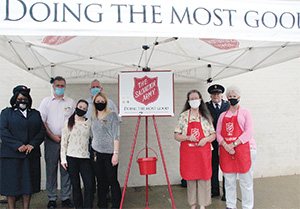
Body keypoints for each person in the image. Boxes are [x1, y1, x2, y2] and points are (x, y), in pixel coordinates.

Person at [0, 85, 46, 209]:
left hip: (29, 155)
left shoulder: (35, 114)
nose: (22, 101)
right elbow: (3, 131)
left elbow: (42, 131)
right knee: (12, 186)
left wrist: (32, 144)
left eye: (25, 99)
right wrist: (18, 145)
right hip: (11, 156)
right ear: (15, 99)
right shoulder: (6, 113)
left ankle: (26, 207)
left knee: (28, 185)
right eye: (20, 99)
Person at [216, 86, 257, 209]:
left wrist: (234, 144)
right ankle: (231, 205)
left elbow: (249, 131)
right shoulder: (223, 115)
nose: (232, 99)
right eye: (230, 97)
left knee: (246, 181)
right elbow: (218, 133)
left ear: (239, 98)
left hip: (245, 150)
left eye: (234, 96)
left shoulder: (245, 112)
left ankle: (247, 206)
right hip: (227, 151)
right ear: (227, 99)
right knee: (229, 181)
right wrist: (225, 145)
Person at [174, 89, 216, 209]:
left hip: (203, 153)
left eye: (196, 98)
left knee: (203, 178)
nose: (194, 101)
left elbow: (213, 135)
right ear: (188, 101)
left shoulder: (205, 116)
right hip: (189, 153)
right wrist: (187, 137)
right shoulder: (183, 116)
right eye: (191, 99)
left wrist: (205, 140)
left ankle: (202, 205)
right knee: (191, 178)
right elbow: (176, 135)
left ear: (200, 100)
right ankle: (192, 205)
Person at [39, 76, 75, 209]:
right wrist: (52, 136)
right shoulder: (46, 102)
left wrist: (66, 138)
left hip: (67, 142)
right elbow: (42, 121)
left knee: (66, 170)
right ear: (53, 87)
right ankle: (52, 198)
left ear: (65, 87)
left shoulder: (70, 102)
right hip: (51, 140)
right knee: (51, 169)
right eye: (58, 86)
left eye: (62, 86)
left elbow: (74, 121)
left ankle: (66, 197)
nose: (60, 88)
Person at [61, 99, 95, 209]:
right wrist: (63, 159)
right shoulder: (68, 122)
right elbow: (64, 142)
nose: (82, 110)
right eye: (80, 107)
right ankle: (78, 206)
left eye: (84, 109)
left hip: (85, 158)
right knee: (75, 185)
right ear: (76, 107)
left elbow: (93, 139)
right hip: (71, 158)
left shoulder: (89, 122)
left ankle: (88, 206)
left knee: (89, 184)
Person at [91, 92, 121, 209]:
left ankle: (116, 205)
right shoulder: (93, 117)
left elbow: (116, 136)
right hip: (97, 154)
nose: (100, 103)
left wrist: (116, 154)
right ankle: (102, 205)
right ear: (94, 103)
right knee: (100, 181)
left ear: (106, 103)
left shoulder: (112, 115)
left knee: (112, 180)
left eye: (102, 102)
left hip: (110, 154)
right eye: (98, 102)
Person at [206, 84, 230, 201]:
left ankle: (226, 192)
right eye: (213, 94)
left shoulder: (228, 105)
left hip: (225, 141)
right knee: (213, 166)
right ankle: (214, 190)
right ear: (210, 95)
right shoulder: (206, 106)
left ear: (222, 95)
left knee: (225, 167)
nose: (216, 96)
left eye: (218, 93)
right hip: (212, 141)